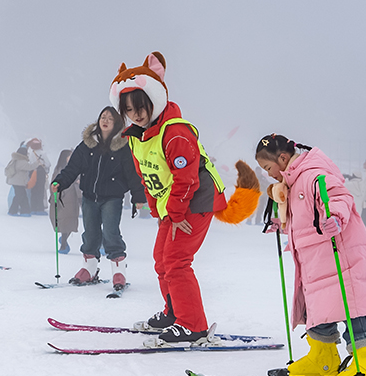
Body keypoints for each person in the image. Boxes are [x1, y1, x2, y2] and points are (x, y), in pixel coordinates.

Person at [110, 51, 260, 345]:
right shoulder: (138, 136)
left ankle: (192, 325)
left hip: (196, 200)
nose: (137, 113)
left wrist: (176, 215)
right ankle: (174, 313)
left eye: (141, 106)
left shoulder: (175, 132)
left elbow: (186, 178)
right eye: (129, 109)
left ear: (154, 100)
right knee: (161, 261)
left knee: (177, 261)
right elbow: (148, 177)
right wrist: (159, 212)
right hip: (175, 205)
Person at [255, 134, 366, 376]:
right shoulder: (291, 181)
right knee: (321, 307)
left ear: (282, 158)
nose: (269, 175)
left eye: (268, 168)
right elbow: (305, 220)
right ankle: (323, 356)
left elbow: (339, 197)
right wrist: (282, 225)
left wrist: (336, 216)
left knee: (351, 305)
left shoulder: (313, 173)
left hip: (341, 253)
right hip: (317, 260)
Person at [51, 107, 146, 290]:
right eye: (103, 117)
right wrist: (60, 182)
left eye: (110, 118)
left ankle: (119, 272)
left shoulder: (123, 146)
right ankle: (89, 269)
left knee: (111, 233)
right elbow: (73, 168)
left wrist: (138, 196)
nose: (105, 121)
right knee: (91, 233)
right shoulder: (88, 144)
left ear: (116, 123)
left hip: (112, 198)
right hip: (89, 197)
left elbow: (132, 173)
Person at [50, 149, 81, 255]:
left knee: (71, 222)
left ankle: (64, 241)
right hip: (63, 199)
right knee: (65, 222)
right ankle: (63, 244)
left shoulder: (74, 169)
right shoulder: (59, 170)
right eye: (69, 156)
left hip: (73, 199)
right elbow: (54, 184)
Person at [5, 143, 38, 216]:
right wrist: (37, 163)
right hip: (18, 182)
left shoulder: (16, 159)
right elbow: (29, 167)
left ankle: (25, 211)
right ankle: (13, 211)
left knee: (23, 196)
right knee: (19, 196)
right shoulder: (21, 161)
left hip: (17, 182)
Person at [26, 138, 51, 215]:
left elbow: (29, 163)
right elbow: (48, 164)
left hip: (32, 172)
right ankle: (40, 208)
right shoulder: (43, 153)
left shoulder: (31, 153)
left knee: (34, 190)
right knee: (40, 190)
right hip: (41, 173)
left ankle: (33, 207)